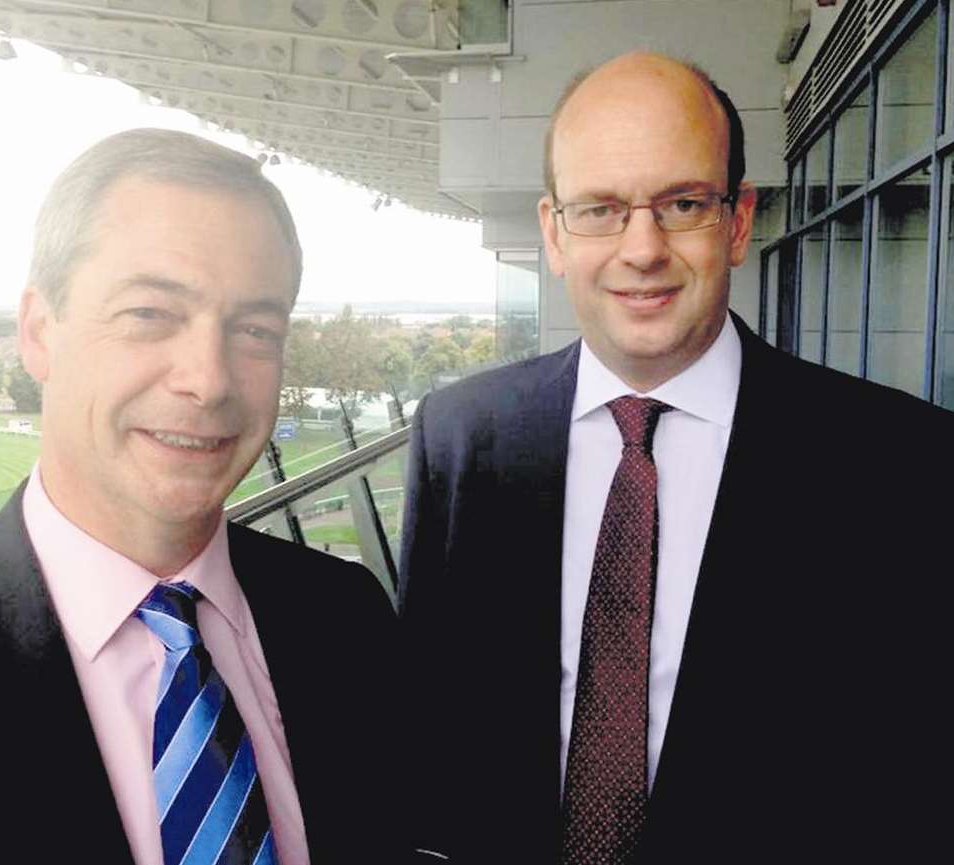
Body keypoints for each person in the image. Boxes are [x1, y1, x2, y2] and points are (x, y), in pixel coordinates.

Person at [398, 52, 953, 863]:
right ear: (553, 233)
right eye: (600, 209)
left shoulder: (904, 465)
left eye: (682, 202)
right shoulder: (461, 437)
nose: (642, 248)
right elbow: (428, 727)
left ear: (736, 223)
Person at [0, 129, 401, 865]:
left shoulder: (345, 616)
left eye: (254, 328)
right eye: (148, 314)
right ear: (39, 331)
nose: (210, 378)